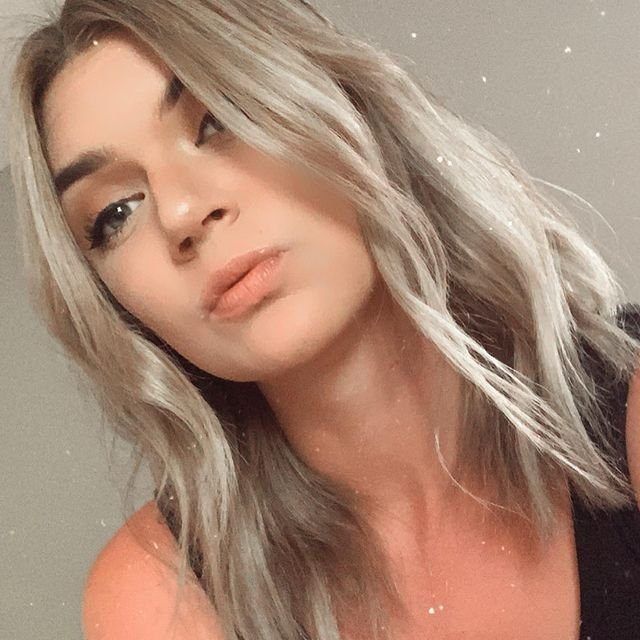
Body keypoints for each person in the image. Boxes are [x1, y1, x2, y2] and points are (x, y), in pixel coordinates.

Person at [8, 1, 640, 639]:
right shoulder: (155, 595)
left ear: (346, 106)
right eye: (115, 213)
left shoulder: (629, 401)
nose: (179, 213)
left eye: (217, 120)